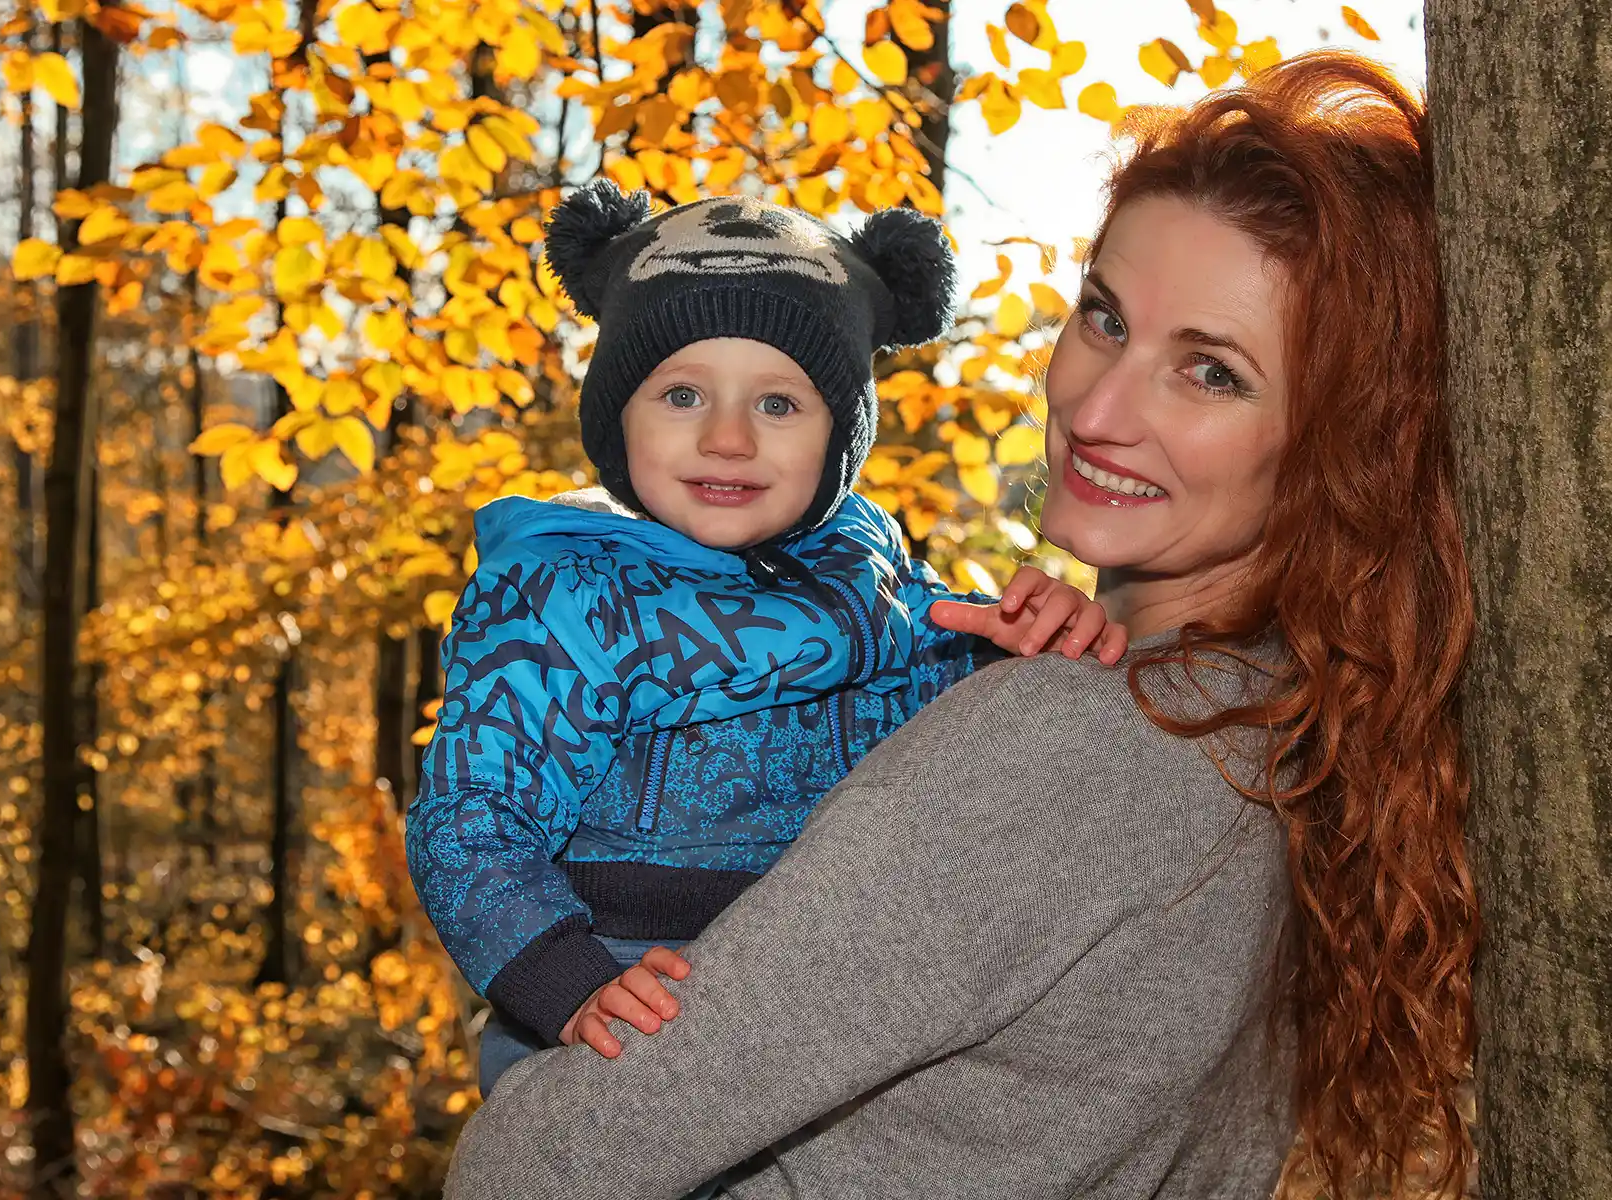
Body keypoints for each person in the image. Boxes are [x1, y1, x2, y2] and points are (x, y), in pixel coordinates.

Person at [442, 49, 1478, 1200]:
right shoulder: (1288, 732)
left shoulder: (1075, 744)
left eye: (1212, 374)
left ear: (1347, 439)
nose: (1096, 407)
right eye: (1104, 317)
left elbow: (528, 1172)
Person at [408, 184, 1126, 1099]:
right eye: (682, 394)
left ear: (841, 436)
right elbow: (472, 816)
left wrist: (1026, 640)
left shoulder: (866, 567)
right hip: (621, 991)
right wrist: (564, 979)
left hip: (821, 994)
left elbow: (938, 686)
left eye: (780, 404)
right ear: (616, 416)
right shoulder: (563, 592)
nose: (728, 438)